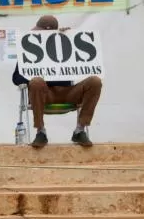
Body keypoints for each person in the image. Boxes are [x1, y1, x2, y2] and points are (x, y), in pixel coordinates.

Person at [13, 15, 103, 148]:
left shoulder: (65, 43)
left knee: (95, 81)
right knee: (36, 82)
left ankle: (80, 130)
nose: (36, 33)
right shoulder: (30, 50)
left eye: (40, 31)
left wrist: (70, 38)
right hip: (45, 93)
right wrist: (36, 75)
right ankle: (40, 131)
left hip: (68, 92)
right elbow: (16, 78)